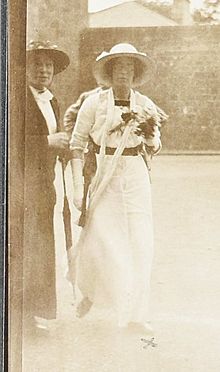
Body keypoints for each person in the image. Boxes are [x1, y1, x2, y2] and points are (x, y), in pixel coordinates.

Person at [70, 43, 167, 332]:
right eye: (118, 67)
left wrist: (150, 137)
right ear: (109, 72)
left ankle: (136, 315)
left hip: (135, 174)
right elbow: (77, 144)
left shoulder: (145, 104)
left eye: (129, 67)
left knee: (141, 242)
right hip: (104, 173)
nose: (123, 72)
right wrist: (78, 188)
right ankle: (90, 291)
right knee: (99, 239)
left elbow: (155, 146)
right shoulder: (94, 103)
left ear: (135, 73)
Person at [24, 40, 70, 331]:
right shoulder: (15, 99)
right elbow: (11, 143)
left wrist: (62, 148)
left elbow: (54, 139)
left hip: (44, 188)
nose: (43, 70)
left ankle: (30, 314)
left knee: (40, 250)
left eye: (48, 65)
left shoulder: (52, 100)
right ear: (26, 67)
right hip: (20, 189)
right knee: (23, 250)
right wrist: (48, 143)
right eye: (37, 64)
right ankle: (16, 317)